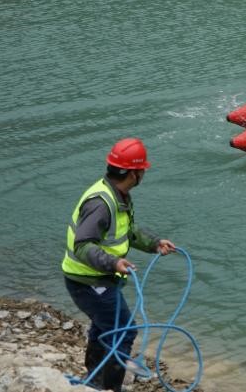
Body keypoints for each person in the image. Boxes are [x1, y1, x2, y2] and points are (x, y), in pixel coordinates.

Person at [62, 138, 176, 392]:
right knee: (123, 331)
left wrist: (155, 243)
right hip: (87, 281)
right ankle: (109, 388)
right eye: (143, 169)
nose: (144, 173)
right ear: (134, 173)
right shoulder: (101, 204)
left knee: (104, 327)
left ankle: (94, 382)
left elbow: (126, 231)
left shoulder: (118, 195)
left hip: (94, 279)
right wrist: (113, 262)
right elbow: (83, 245)